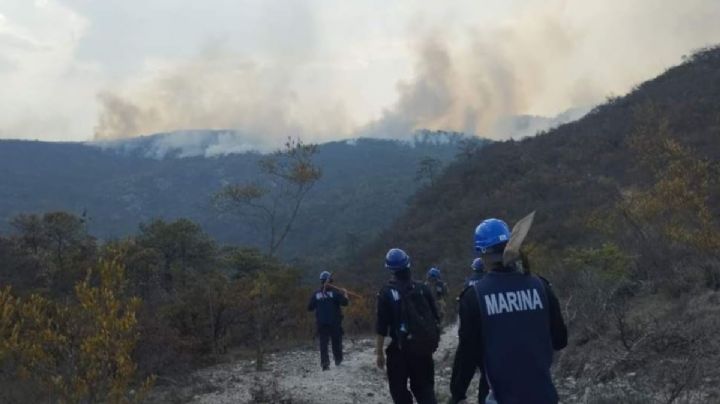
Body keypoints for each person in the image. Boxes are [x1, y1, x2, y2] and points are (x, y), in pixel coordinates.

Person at [449, 218, 568, 404]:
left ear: (482, 254)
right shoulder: (541, 287)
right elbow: (560, 340)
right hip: (542, 394)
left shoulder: (475, 297)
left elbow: (467, 355)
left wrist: (457, 394)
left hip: (498, 396)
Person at [376, 248, 439, 404]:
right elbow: (435, 317)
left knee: (399, 392)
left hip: (399, 352)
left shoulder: (386, 292)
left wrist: (379, 353)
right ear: (408, 265)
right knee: (425, 390)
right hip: (422, 350)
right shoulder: (423, 289)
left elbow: (381, 326)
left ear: (390, 270)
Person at [307, 270, 349, 370]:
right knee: (336, 342)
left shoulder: (316, 294)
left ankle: (325, 363)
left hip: (322, 323)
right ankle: (338, 360)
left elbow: (309, 308)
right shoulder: (335, 293)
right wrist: (345, 293)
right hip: (334, 323)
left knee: (323, 343)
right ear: (329, 281)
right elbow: (345, 302)